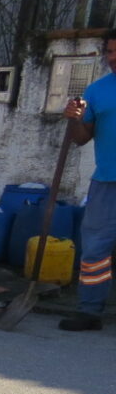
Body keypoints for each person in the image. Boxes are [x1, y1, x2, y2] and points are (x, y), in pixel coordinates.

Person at [59, 29, 116, 332]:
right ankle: (89, 312)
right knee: (95, 250)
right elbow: (81, 139)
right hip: (106, 182)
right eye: (109, 52)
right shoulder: (97, 91)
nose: (112, 59)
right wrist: (75, 118)